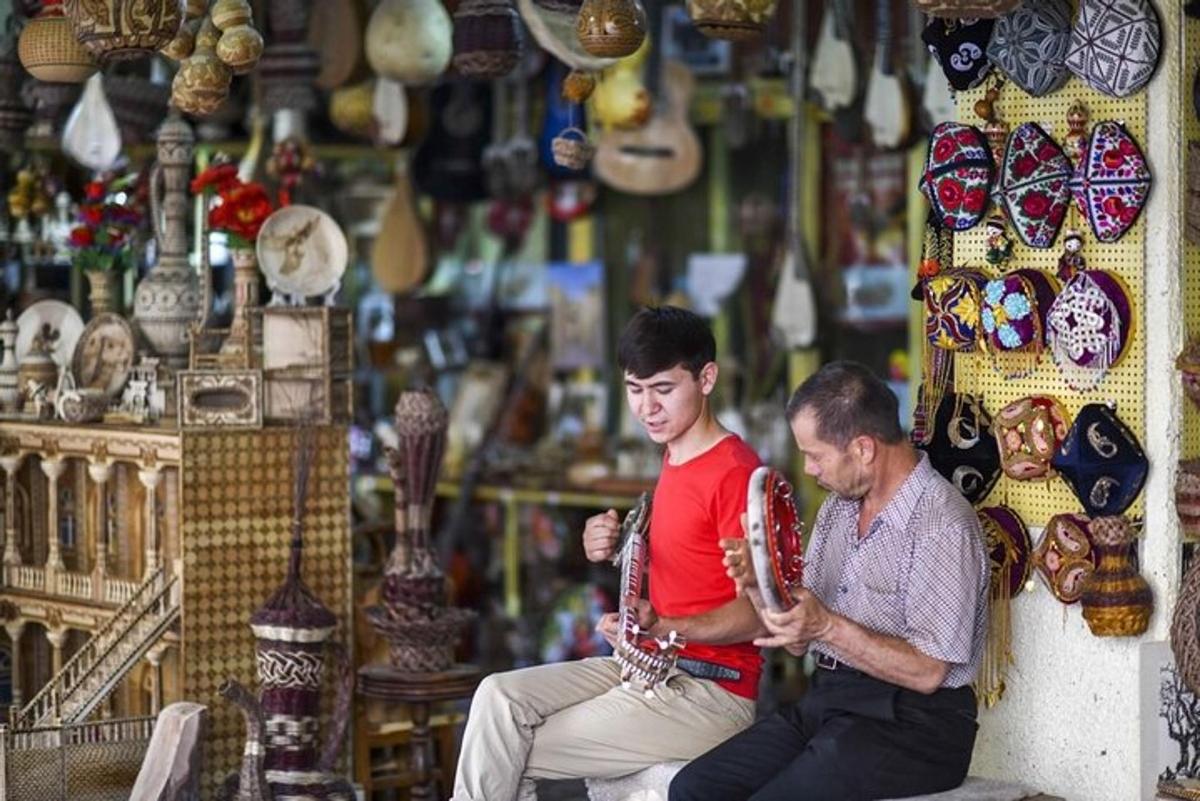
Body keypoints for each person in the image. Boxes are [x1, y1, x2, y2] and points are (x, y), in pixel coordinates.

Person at [452, 306, 766, 801]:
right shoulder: (676, 454)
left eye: (663, 389)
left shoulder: (736, 473)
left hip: (710, 691)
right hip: (647, 665)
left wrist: (663, 626)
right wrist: (618, 545)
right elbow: (692, 560)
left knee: (509, 749)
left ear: (707, 378)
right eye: (635, 390)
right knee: (497, 696)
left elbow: (759, 616)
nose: (647, 408)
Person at [670, 361, 989, 801]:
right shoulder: (839, 510)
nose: (810, 469)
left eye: (816, 455)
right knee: (694, 789)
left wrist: (827, 626)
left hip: (918, 725)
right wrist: (758, 584)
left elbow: (929, 670)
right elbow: (800, 639)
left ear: (863, 449)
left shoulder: (941, 523)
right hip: (832, 699)